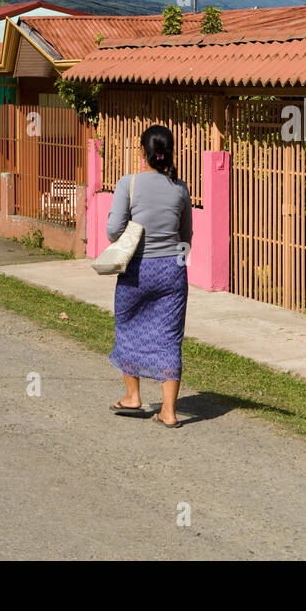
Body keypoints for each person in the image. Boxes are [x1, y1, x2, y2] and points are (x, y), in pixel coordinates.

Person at [107, 124, 193, 428]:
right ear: (168, 152)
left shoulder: (128, 184)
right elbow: (186, 235)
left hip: (137, 269)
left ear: (142, 152)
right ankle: (169, 412)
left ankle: (133, 397)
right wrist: (178, 267)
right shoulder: (180, 188)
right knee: (170, 338)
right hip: (172, 271)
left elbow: (113, 231)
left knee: (128, 326)